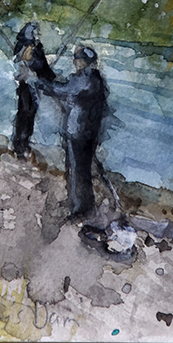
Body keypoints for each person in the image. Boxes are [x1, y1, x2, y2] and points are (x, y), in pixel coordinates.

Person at [38, 45, 108, 218]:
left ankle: (82, 208)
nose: (75, 62)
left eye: (77, 59)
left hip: (78, 132)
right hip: (89, 132)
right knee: (78, 168)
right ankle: (75, 201)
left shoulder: (83, 79)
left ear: (83, 61)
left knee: (78, 170)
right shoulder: (96, 79)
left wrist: (39, 82)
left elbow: (61, 90)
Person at [12, 22, 55, 158]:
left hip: (29, 86)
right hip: (28, 87)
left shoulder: (28, 48)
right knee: (26, 114)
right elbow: (38, 65)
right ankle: (21, 146)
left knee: (26, 114)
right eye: (35, 33)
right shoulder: (29, 49)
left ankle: (21, 144)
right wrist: (47, 76)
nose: (38, 36)